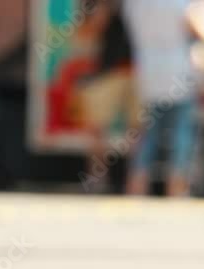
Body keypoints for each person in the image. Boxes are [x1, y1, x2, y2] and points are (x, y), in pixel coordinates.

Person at [121, 0, 204, 197]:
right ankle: (176, 194)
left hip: (147, 71)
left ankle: (135, 193)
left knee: (146, 138)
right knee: (181, 138)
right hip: (180, 73)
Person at [79, 0, 138, 193]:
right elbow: (90, 29)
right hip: (109, 71)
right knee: (97, 128)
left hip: (138, 70)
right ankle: (97, 181)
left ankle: (134, 183)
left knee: (137, 130)